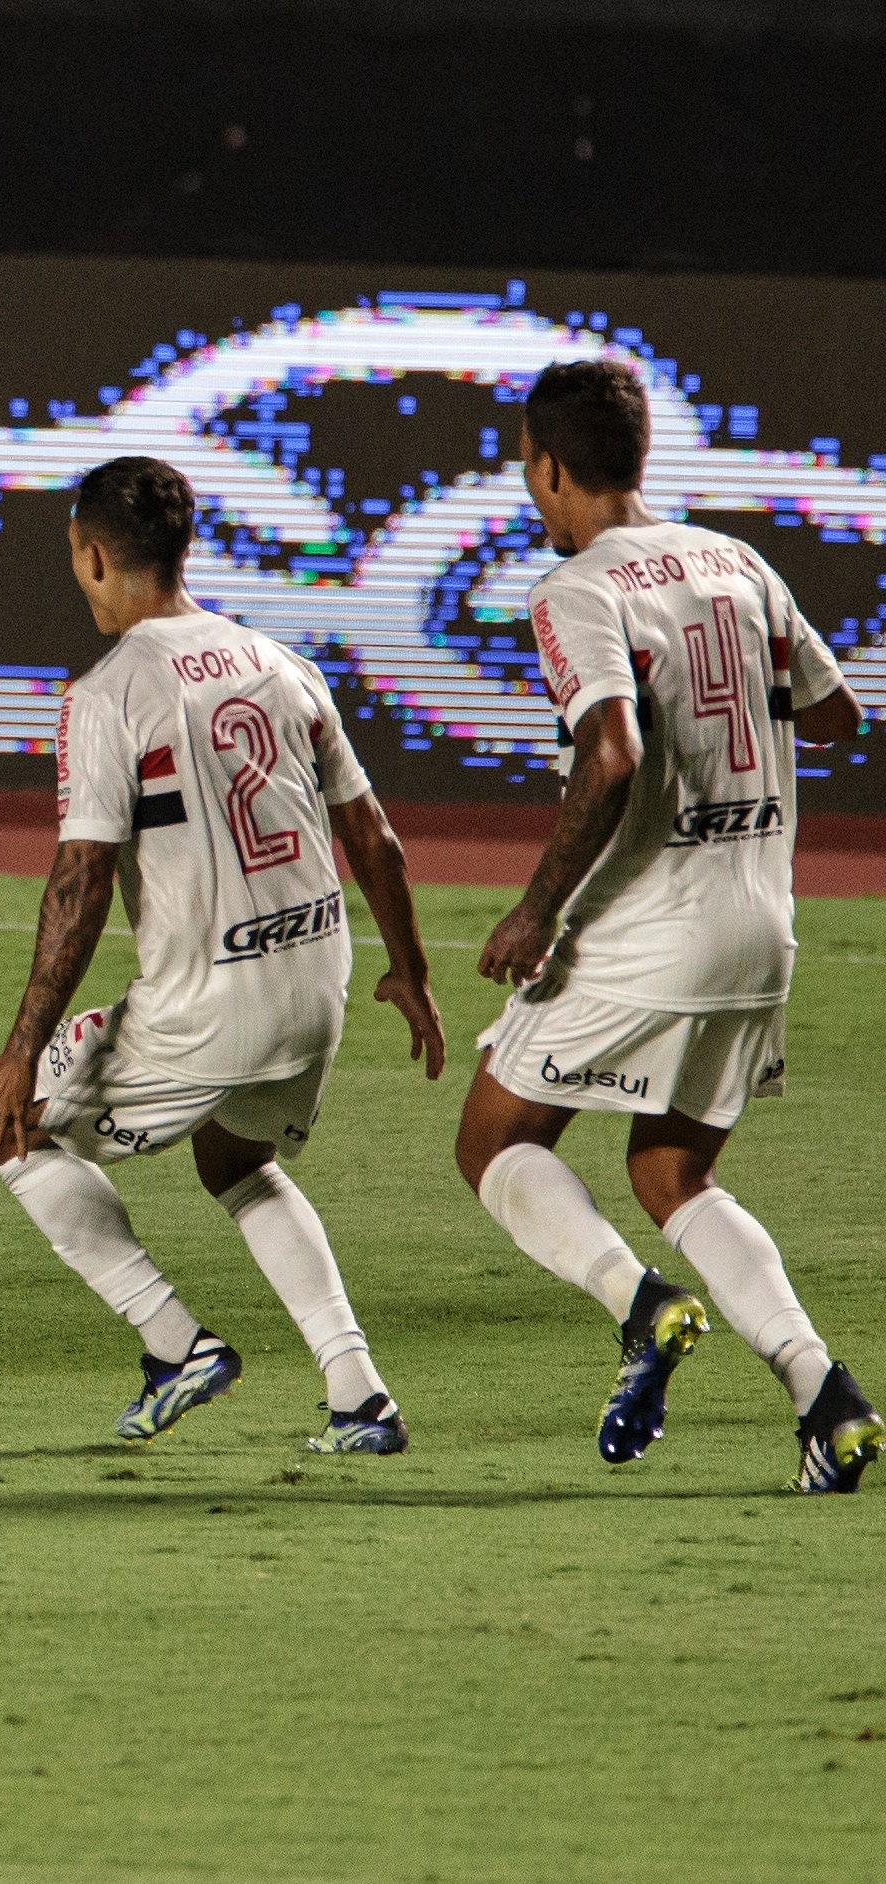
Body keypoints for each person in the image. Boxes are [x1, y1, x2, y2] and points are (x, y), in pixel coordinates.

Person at [0, 455, 444, 1455]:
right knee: (236, 1157)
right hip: (317, 983)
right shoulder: (279, 662)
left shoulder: (109, 691)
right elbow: (373, 835)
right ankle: (359, 1394)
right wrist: (411, 971)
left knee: (18, 1126)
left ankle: (174, 1343)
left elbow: (79, 883)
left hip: (210, 1004)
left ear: (89, 557)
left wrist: (19, 1047)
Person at [454, 359, 879, 1493]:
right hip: (761, 921)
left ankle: (642, 1308)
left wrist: (536, 907)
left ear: (547, 468)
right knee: (670, 1171)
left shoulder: (577, 588)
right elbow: (837, 714)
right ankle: (823, 1396)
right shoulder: (738, 562)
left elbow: (609, 752)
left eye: (528, 473)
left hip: (651, 921)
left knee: (492, 1141)